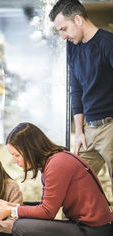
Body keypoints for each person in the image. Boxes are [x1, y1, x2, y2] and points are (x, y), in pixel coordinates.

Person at [0, 122, 113, 236]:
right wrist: (8, 205)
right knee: (22, 222)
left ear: (30, 149)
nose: (15, 161)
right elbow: (47, 205)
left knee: (20, 230)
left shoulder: (56, 165)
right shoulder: (58, 158)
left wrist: (11, 210)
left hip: (91, 234)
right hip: (93, 229)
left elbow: (47, 212)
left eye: (17, 155)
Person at [49, 0, 113, 199]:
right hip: (88, 130)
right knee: (71, 186)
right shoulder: (72, 47)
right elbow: (75, 89)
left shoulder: (107, 43)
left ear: (78, 19)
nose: (63, 35)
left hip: (110, 128)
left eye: (64, 28)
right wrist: (79, 131)